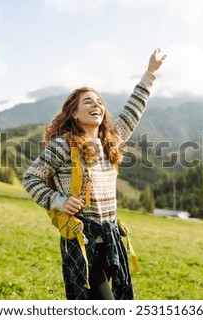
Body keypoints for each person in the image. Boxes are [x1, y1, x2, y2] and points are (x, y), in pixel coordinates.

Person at [22, 48, 166, 300]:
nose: (96, 104)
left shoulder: (111, 140)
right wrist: (60, 201)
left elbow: (133, 110)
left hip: (110, 238)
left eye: (99, 102)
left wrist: (150, 73)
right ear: (74, 114)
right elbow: (31, 178)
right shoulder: (62, 145)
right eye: (88, 102)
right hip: (81, 239)